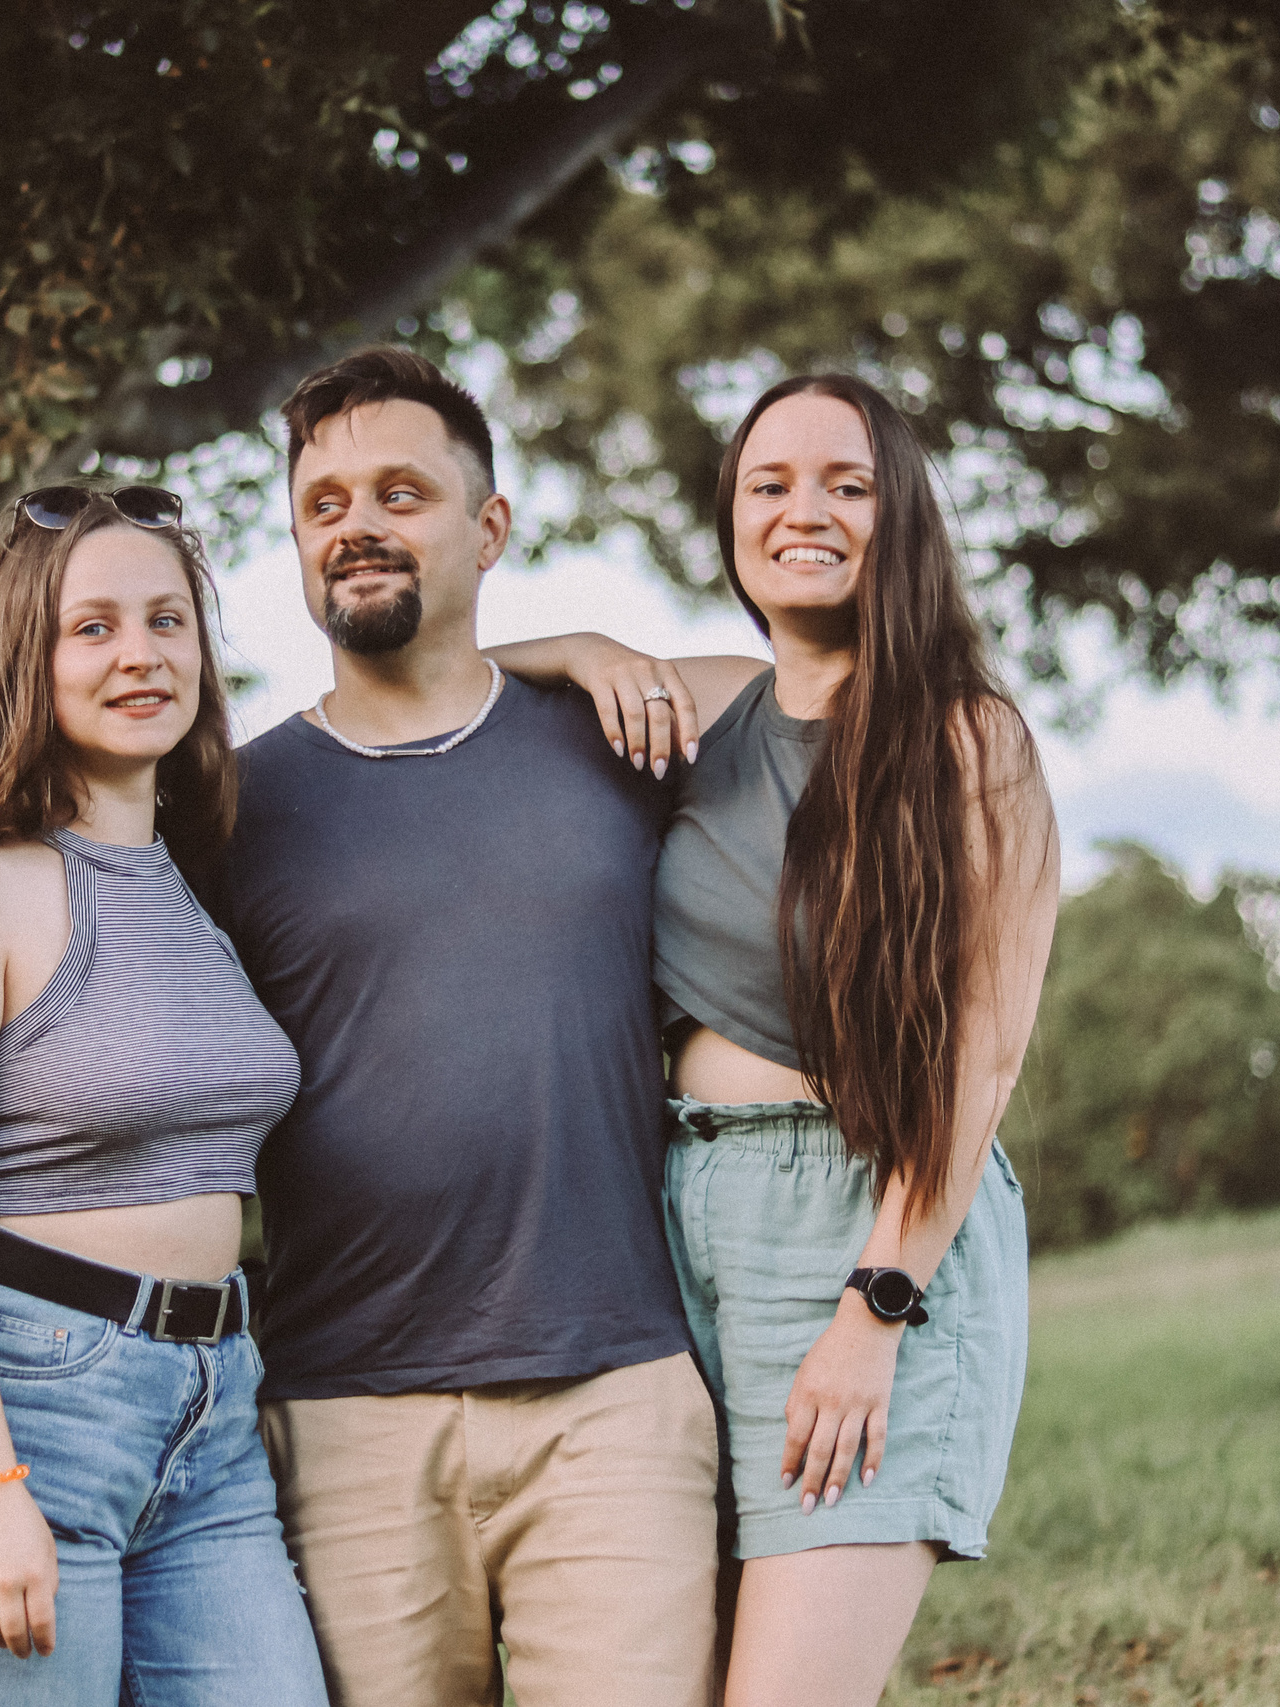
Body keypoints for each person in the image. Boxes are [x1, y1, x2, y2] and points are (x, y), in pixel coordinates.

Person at [492, 373, 1058, 1707]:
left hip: (864, 1227)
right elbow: (455, 684)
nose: (804, 511)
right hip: (678, 1230)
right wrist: (587, 648)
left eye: (846, 485)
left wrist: (874, 1308)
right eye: (770, 484)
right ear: (733, 518)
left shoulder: (969, 740)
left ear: (898, 517)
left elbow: (980, 1065)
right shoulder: (713, 705)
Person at [209, 347, 720, 1707]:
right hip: (341, 1412)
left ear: (489, 529)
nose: (356, 526)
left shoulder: (613, 734)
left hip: (613, 1391)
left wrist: (578, 652)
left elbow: (819, 691)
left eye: (402, 493)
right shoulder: (231, 809)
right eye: (323, 505)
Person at [0, 484, 328, 1707]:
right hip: (20, 1407)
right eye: (93, 627)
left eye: (168, 621)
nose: (141, 655)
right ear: (25, 657)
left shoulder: (184, 879)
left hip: (210, 1415)